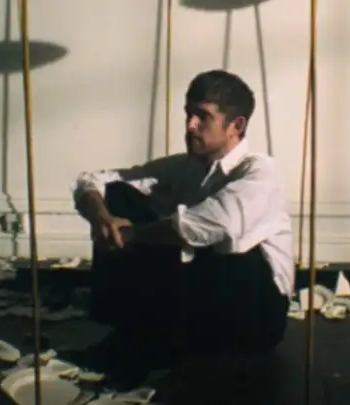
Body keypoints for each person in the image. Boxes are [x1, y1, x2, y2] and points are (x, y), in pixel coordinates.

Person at [70, 70, 294, 382]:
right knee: (118, 194)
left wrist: (129, 234)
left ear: (237, 125)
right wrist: (102, 219)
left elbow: (212, 225)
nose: (190, 125)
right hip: (205, 292)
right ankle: (133, 336)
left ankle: (172, 348)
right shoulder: (185, 166)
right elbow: (94, 181)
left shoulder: (259, 171)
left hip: (256, 312)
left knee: (224, 245)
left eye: (203, 117)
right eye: (188, 114)